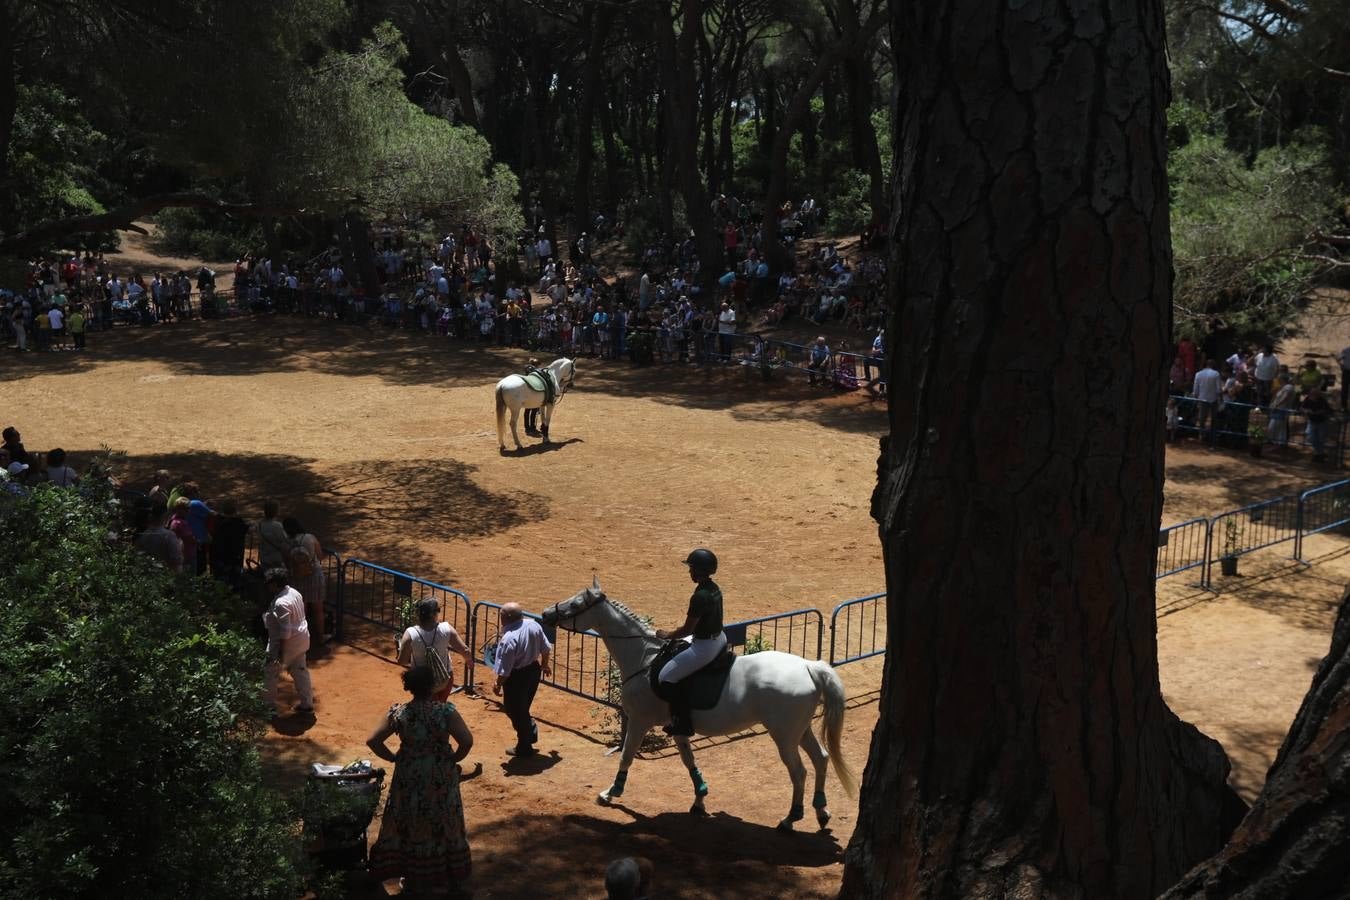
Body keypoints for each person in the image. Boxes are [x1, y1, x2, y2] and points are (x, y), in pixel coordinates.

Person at [367, 666, 473, 896]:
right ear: (433, 686)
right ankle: (448, 877)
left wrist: (394, 757)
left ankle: (412, 876)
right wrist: (452, 758)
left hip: (409, 773)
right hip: (439, 774)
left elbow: (373, 740)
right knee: (444, 818)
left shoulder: (399, 712)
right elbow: (466, 740)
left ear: (409, 687)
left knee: (409, 817)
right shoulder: (445, 711)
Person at [655, 548, 726, 737]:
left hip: (705, 646)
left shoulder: (700, 596)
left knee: (666, 677)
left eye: (692, 568)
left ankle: (682, 722)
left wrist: (666, 634)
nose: (690, 572)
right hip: (719, 638)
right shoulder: (713, 587)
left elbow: (687, 630)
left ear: (699, 571)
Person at [491, 602, 552, 757]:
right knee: (522, 707)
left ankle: (525, 745)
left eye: (501, 614)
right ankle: (528, 734)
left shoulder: (509, 639)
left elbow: (506, 670)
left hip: (517, 677)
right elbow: (546, 648)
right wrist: (544, 665)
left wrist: (498, 683)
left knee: (514, 710)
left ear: (507, 617)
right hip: (533, 671)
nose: (500, 617)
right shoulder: (533, 625)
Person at [261, 567, 314, 716]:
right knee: (300, 671)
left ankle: (268, 707)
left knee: (270, 673)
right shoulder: (294, 592)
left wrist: (280, 654)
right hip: (302, 640)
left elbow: (285, 631)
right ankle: (307, 705)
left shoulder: (281, 603)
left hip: (285, 644)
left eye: (269, 583)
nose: (267, 586)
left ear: (275, 584)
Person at [398, 598, 474, 701]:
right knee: (440, 708)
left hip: (421, 683)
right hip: (445, 679)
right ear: (435, 613)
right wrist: (468, 661)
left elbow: (402, 661)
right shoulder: (446, 628)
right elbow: (465, 650)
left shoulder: (410, 633)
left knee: (426, 710)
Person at [283, 516, 327, 645]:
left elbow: (287, 563)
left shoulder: (285, 544)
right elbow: (320, 556)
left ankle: (301, 640)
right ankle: (320, 638)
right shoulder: (310, 538)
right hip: (314, 577)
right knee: (318, 609)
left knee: (301, 613)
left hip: (296, 580)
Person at [133, 499, 183, 571]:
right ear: (165, 516)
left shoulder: (143, 535)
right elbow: (177, 562)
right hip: (166, 576)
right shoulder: (169, 535)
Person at [1191, 359, 1222, 443]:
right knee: (1213, 419)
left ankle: (1201, 435)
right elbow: (1219, 389)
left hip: (1202, 399)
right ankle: (1212, 437)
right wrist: (1220, 399)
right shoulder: (1216, 374)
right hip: (1213, 399)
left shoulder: (1198, 374)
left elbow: (1195, 389)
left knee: (1202, 419)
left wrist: (1196, 397)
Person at [1301, 386, 1334, 463]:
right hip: (1312, 422)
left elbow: (1329, 410)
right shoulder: (1307, 399)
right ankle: (1320, 453)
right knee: (1311, 438)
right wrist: (1306, 410)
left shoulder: (1322, 400)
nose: (1313, 395)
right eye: (1312, 393)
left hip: (1321, 422)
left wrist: (1321, 412)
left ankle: (1319, 454)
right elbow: (1302, 407)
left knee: (1320, 439)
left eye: (1315, 393)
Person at [256, 499, 289, 571]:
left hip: (264, 559)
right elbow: (285, 541)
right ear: (276, 511)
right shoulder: (277, 526)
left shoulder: (259, 524)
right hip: (276, 560)